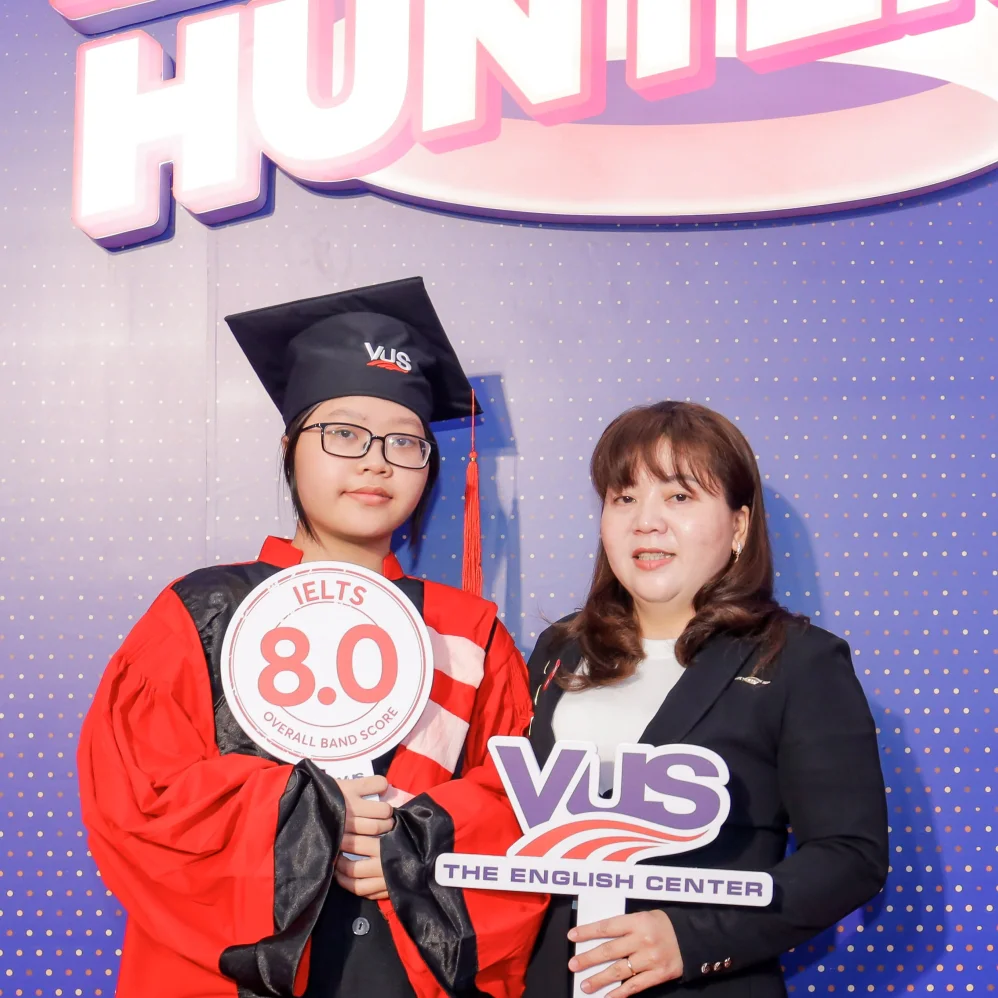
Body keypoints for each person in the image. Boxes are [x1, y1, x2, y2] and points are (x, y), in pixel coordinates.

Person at [78, 277, 546, 998]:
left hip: (403, 971)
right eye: (344, 434)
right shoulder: (201, 611)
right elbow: (137, 801)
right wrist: (315, 819)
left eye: (405, 442)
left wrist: (416, 842)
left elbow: (521, 809)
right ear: (290, 447)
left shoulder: (467, 632)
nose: (376, 461)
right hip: (231, 974)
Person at [523, 401, 888, 998]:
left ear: (739, 527)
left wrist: (693, 940)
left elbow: (850, 856)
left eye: (679, 496)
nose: (646, 522)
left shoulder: (799, 660)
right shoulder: (559, 649)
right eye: (624, 497)